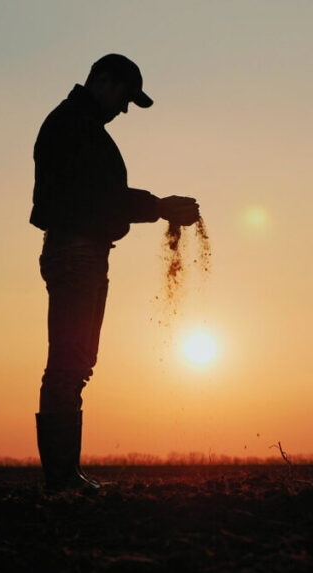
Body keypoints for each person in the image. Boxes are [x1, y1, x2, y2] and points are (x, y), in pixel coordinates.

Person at [30, 54, 199, 490]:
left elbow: (104, 196)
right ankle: (62, 479)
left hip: (85, 253)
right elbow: (99, 197)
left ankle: (65, 476)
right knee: (68, 365)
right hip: (76, 252)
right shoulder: (73, 127)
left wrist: (156, 207)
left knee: (77, 363)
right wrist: (159, 207)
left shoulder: (81, 128)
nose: (124, 109)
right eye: (125, 97)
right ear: (103, 82)